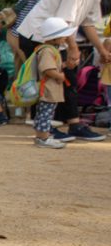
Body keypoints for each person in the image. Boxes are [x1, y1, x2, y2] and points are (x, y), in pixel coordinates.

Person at [16, 0, 111, 143]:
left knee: (68, 79)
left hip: (58, 37)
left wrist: (101, 49)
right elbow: (63, 21)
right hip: (38, 36)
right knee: (49, 82)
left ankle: (73, 124)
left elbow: (88, 23)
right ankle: (47, 128)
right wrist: (73, 48)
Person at [31, 18, 75, 149]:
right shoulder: (47, 50)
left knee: (44, 113)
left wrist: (66, 65)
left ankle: (41, 137)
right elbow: (47, 69)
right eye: (63, 36)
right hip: (48, 89)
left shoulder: (49, 49)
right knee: (46, 114)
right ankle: (43, 138)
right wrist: (60, 76)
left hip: (48, 88)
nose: (65, 38)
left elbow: (52, 66)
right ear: (54, 37)